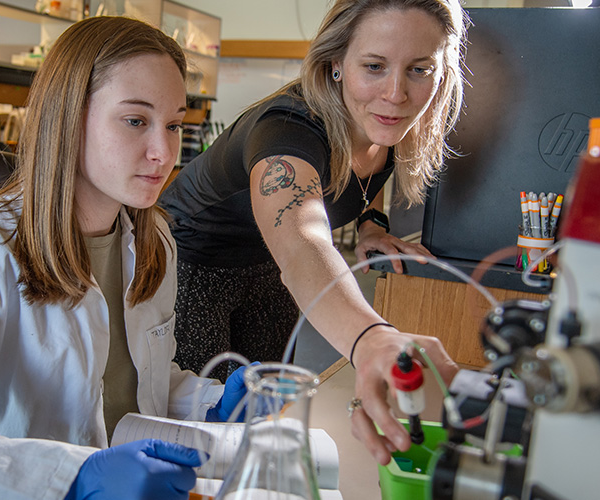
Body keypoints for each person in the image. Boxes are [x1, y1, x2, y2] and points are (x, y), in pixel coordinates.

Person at [0, 16, 248, 500]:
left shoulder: (154, 238)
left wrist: (212, 404)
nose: (164, 152)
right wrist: (76, 479)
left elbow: (135, 384)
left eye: (174, 124)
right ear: (68, 118)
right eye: (136, 121)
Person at [159, 0, 466, 464]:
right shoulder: (287, 128)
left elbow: (362, 177)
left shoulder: (383, 125)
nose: (397, 93)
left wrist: (370, 224)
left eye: (420, 69)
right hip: (192, 256)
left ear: (441, 74)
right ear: (335, 64)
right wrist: (372, 339)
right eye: (374, 66)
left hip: (266, 264)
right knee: (199, 426)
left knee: (262, 411)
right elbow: (303, 241)